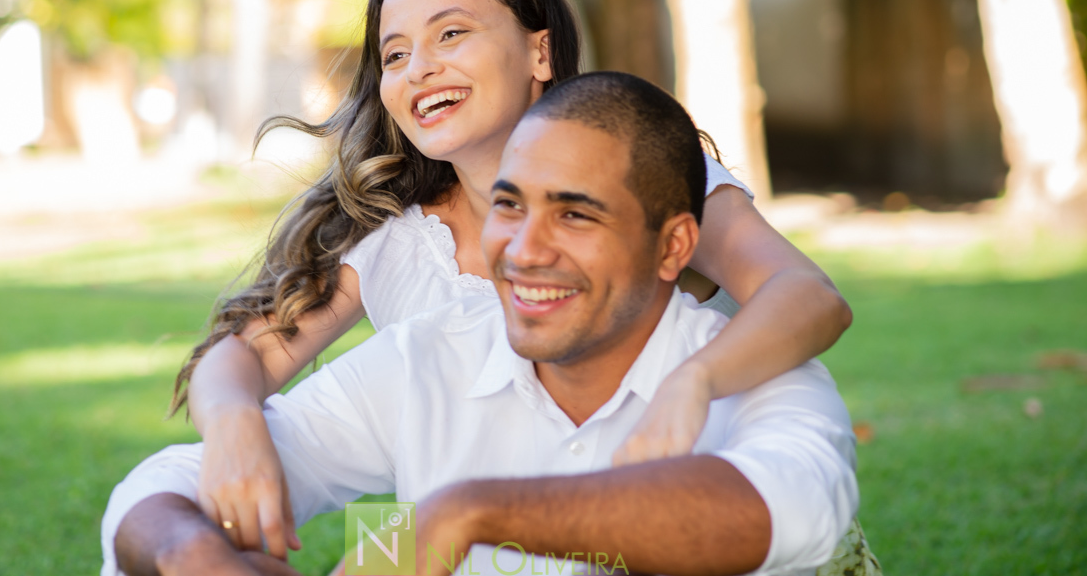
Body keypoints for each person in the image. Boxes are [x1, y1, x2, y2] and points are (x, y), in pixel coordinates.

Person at [177, 0, 855, 558]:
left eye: (450, 33)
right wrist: (236, 422)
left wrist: (695, 382)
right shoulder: (384, 235)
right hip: (478, 539)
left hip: (664, 522)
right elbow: (240, 354)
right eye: (394, 53)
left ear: (540, 52)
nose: (419, 67)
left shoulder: (644, 174)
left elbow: (808, 296)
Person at [104, 72, 858, 576]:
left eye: (575, 213)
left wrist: (467, 512)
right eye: (508, 205)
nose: (524, 250)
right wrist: (192, 554)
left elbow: (790, 507)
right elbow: (163, 481)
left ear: (673, 246)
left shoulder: (757, 376)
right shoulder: (433, 351)